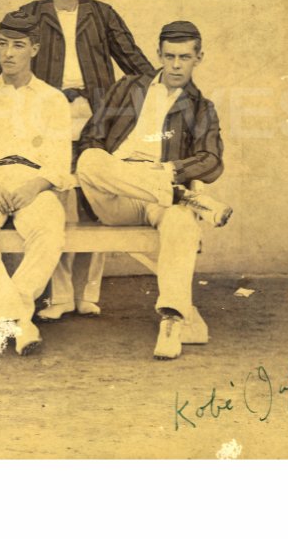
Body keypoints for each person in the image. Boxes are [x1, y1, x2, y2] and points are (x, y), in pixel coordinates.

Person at [0, 0, 153, 321]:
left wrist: (159, 98)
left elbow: (135, 62)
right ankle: (60, 294)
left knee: (95, 195)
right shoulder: (31, 13)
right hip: (46, 110)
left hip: (94, 111)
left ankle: (88, 292)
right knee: (56, 196)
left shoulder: (102, 14)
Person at [75, 20, 231, 360]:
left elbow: (211, 160)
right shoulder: (127, 88)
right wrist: (128, 172)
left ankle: (173, 319)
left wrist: (170, 172)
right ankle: (175, 194)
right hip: (115, 193)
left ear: (198, 58)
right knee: (88, 159)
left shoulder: (202, 108)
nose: (176, 65)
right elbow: (91, 137)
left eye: (185, 58)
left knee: (181, 222)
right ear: (159, 54)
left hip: (157, 191)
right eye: (170, 56)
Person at [0, 12, 72, 357]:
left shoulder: (52, 100)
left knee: (50, 230)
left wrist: (33, 187)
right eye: (3, 44)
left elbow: (59, 165)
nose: (8, 53)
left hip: (34, 184)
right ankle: (21, 320)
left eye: (18, 46)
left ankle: (4, 320)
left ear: (34, 48)